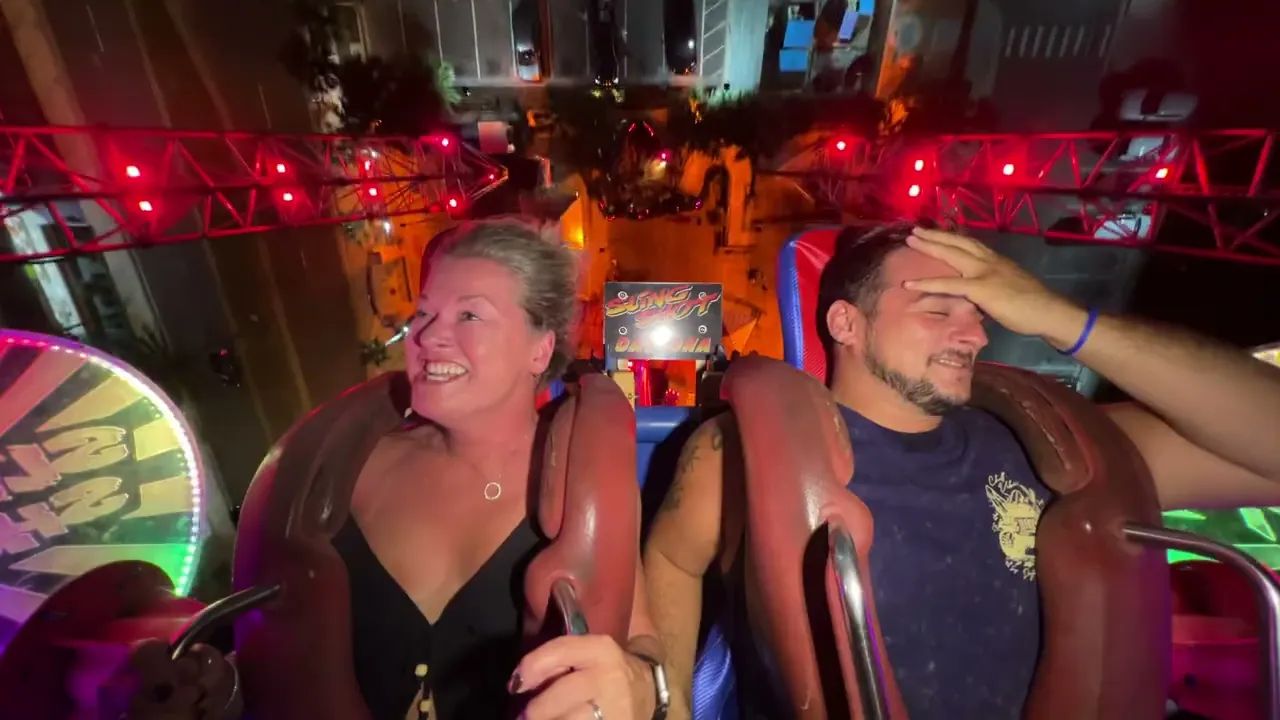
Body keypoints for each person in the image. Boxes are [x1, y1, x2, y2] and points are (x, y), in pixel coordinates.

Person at [643, 224, 1280, 719]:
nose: (975, 335)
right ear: (846, 323)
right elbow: (671, 560)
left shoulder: (1048, 441)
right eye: (939, 310)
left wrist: (1060, 319)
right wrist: (670, 706)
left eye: (981, 312)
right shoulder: (751, 454)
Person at [89, 219, 666, 720]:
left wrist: (643, 688)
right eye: (425, 312)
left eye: (470, 314)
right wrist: (221, 687)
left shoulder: (580, 489)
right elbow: (285, 656)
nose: (428, 335)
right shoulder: (343, 472)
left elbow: (645, 650)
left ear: (540, 349)